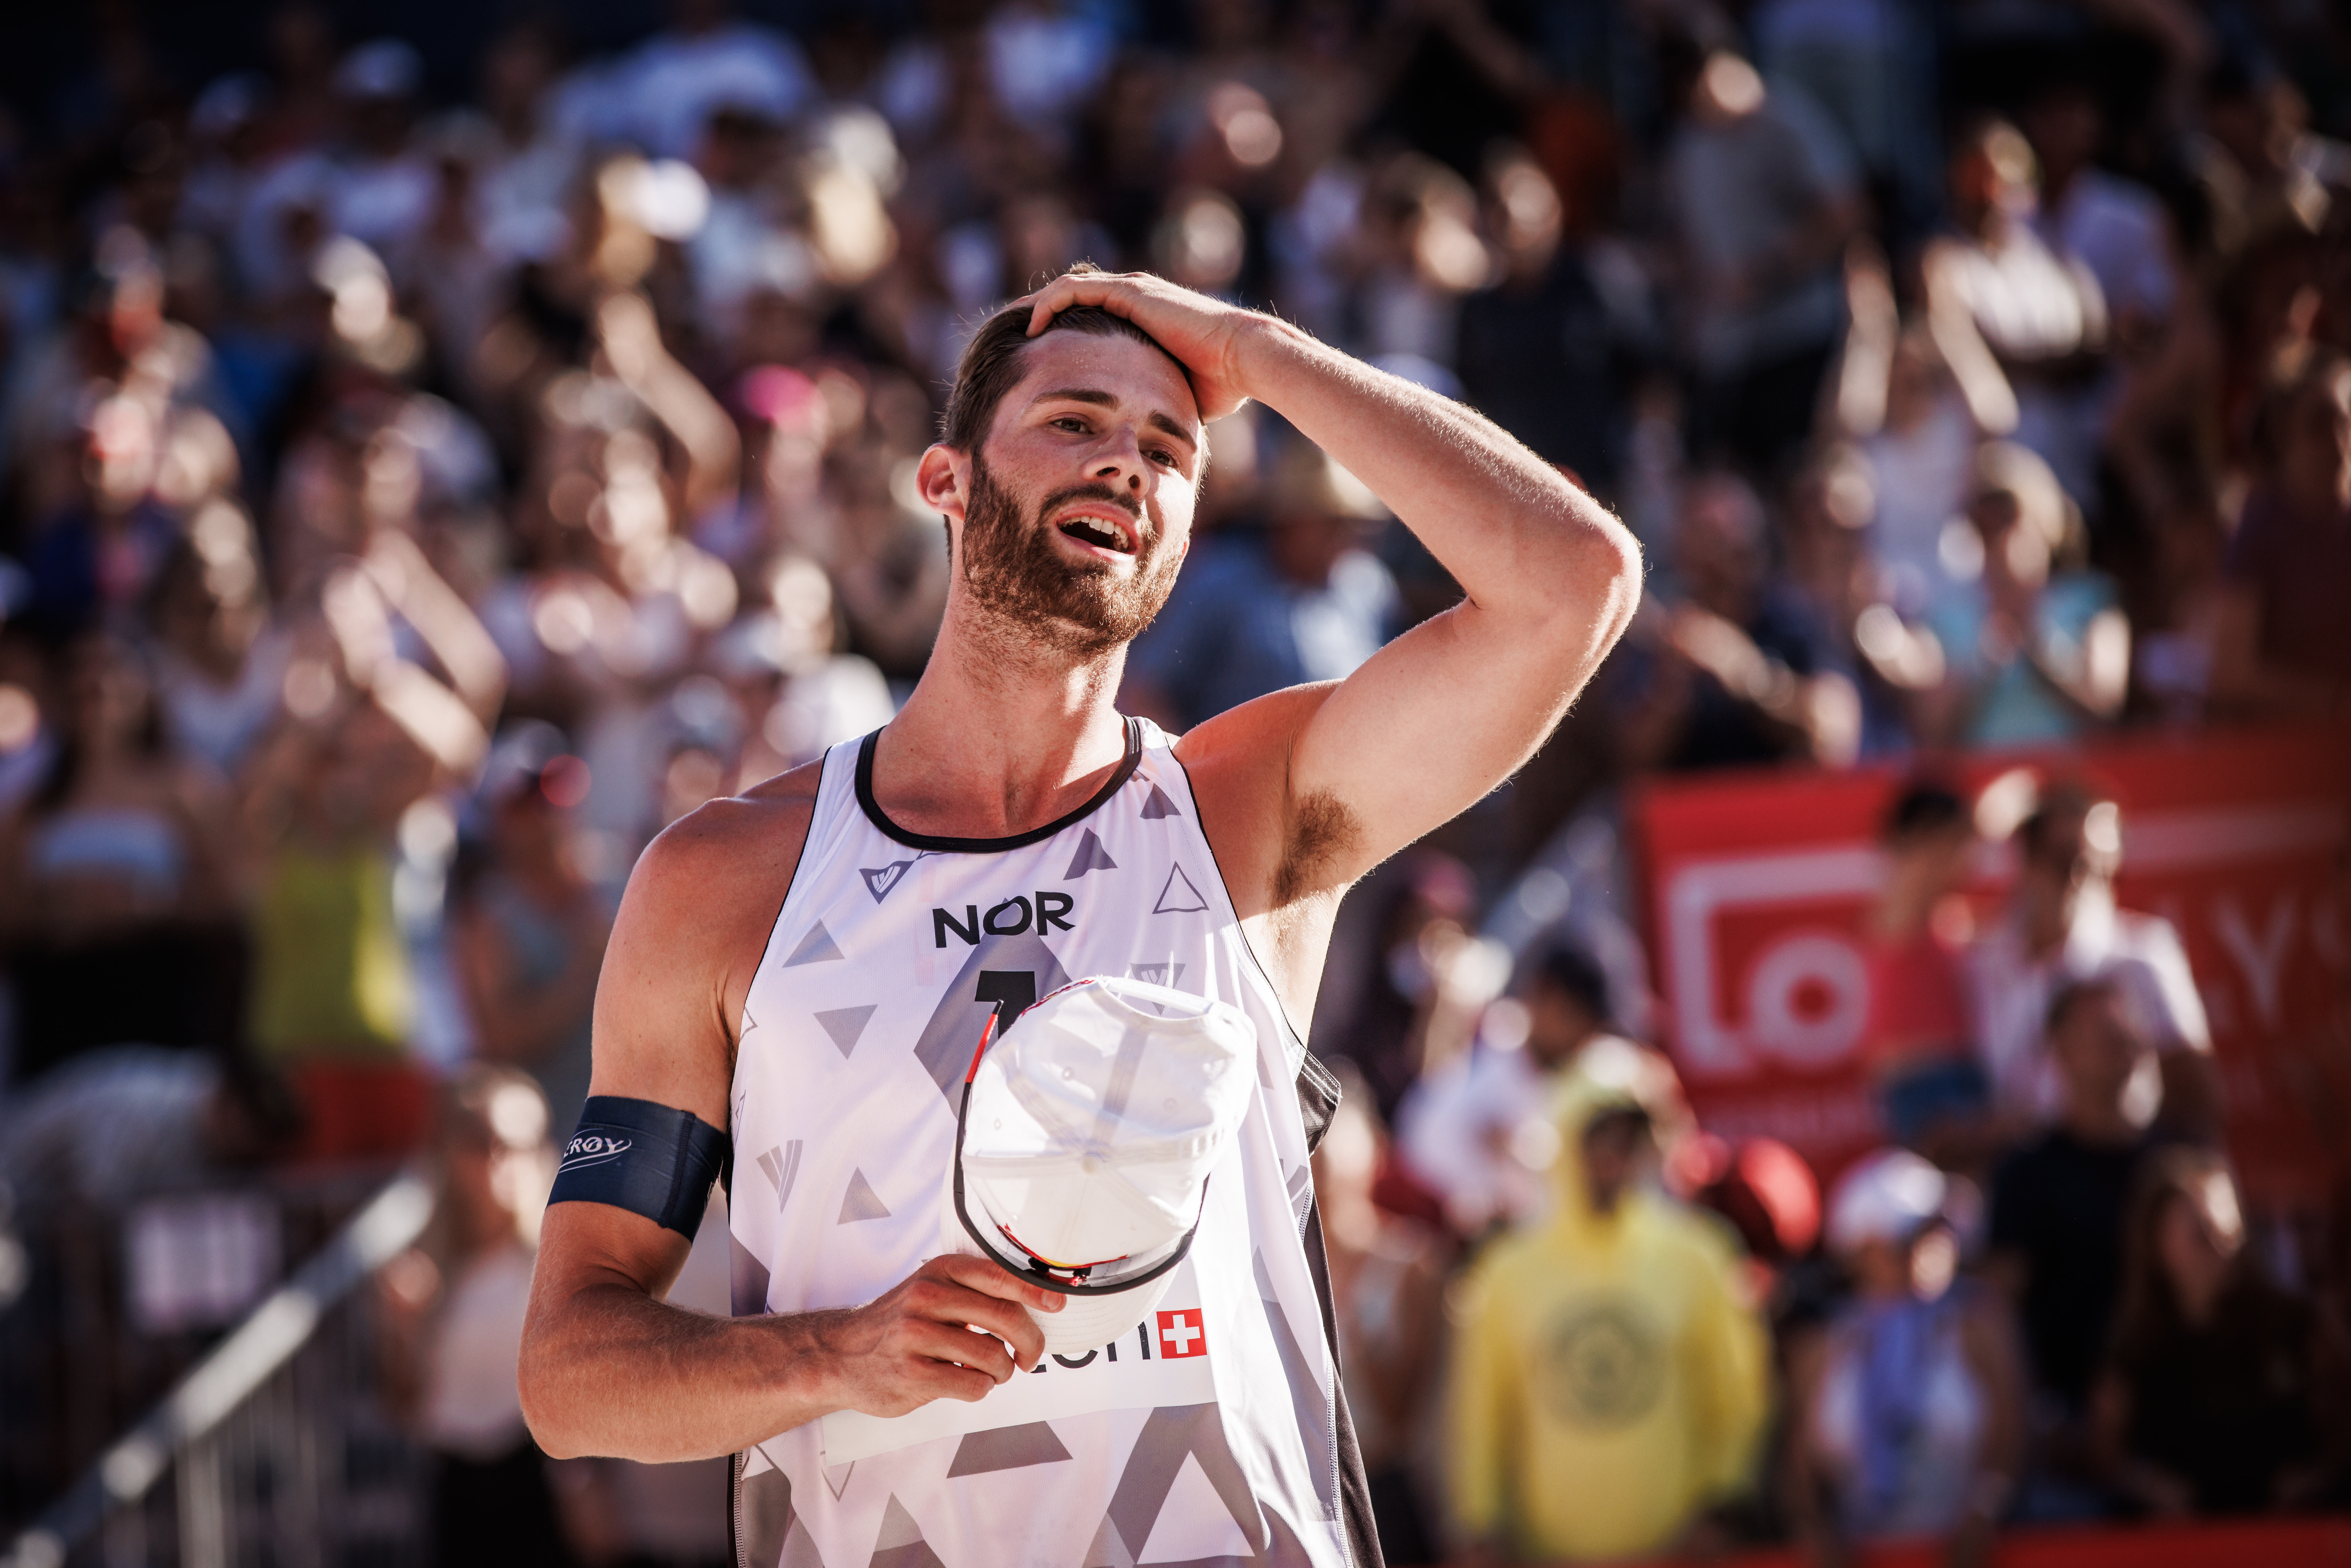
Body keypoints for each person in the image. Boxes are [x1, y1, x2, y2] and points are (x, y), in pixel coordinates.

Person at [517, 264, 1643, 1568]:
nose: (1126, 463)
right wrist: (838, 1352)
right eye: (1073, 423)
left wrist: (1250, 345)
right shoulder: (727, 878)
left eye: (1168, 448)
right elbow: (570, 1370)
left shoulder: (1247, 807)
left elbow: (1574, 580)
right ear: (942, 482)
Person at [1448, 1056, 1769, 1564]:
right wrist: (1479, 1518)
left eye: (1625, 1143)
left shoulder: (1697, 1254)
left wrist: (1723, 1503)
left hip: (1675, 1552)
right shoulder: (1507, 1269)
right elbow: (1481, 1404)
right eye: (1597, 1139)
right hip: (1547, 1554)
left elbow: (1736, 1391)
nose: (1611, 1159)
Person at [1785, 1148, 2026, 1568]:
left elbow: (2011, 1437)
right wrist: (1820, 1538)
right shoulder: (1822, 1348)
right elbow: (1800, 1477)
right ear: (1860, 1250)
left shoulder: (1981, 1322)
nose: (1932, 1248)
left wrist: (1982, 1515)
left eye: (1939, 1231)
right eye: (1911, 1237)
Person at [1987, 978, 2170, 1516]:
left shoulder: (2182, 1161)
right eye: (2098, 1033)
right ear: (2059, 1051)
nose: (2118, 1046)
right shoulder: (2025, 1173)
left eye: (2126, 1032)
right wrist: (2041, 1423)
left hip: (2180, 1420)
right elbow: (2000, 1312)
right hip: (2066, 1437)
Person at [379, 1065, 574, 1568]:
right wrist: (402, 1331)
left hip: (538, 1478)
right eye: (477, 1140)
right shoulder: (427, 1266)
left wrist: (583, 1482)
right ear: (448, 1151)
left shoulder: (560, 1263)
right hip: (456, 1484)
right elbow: (406, 1404)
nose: (496, 1159)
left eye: (513, 1142)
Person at [2090, 1148, 2351, 1516]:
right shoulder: (2137, 1340)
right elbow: (2106, 1451)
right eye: (2198, 1231)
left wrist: (2315, 1477)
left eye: (2225, 1228)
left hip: (2289, 1532)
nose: (2216, 1245)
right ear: (2154, 1242)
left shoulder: (2295, 1323)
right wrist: (2148, 1484)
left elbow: (2343, 1417)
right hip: (2174, 1543)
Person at [1965, 782, 2221, 1142]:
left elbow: (2194, 1093)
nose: (2076, 879)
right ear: (2025, 860)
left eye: (2092, 864)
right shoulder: (1984, 964)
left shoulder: (2142, 954)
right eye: (2059, 858)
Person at [1397, 943, 1673, 1236]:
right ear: (1542, 997)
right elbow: (1421, 1157)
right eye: (1574, 1014)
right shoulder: (1479, 1072)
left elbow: (1662, 1163)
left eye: (1594, 1022)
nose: (1585, 1033)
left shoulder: (1616, 1072)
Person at [1857, 780, 1990, 1165]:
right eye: (1960, 839)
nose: (1970, 852)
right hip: (1922, 1086)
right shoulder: (1899, 902)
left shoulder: (1950, 916)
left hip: (1962, 1077)